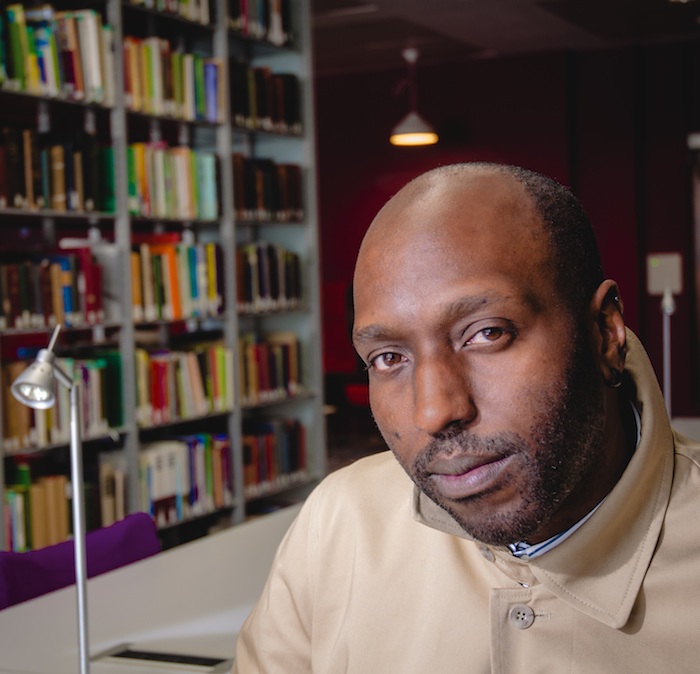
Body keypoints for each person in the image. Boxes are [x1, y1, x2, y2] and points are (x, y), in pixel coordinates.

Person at [232, 163, 700, 673]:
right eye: (388, 358)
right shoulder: (339, 522)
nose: (434, 412)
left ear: (605, 333)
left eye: (487, 333)